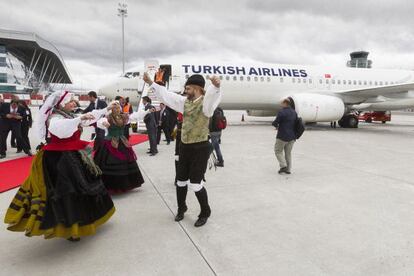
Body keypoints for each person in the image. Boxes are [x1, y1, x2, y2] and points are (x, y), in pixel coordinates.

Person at [4, 91, 115, 241]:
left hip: (70, 155)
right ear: (61, 103)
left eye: (74, 102)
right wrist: (79, 118)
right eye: (70, 102)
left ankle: (83, 221)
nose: (73, 104)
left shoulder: (68, 115)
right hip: (58, 159)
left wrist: (105, 109)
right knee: (67, 191)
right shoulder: (55, 117)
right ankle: (69, 229)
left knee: (82, 186)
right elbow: (60, 129)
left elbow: (86, 119)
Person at [143, 72, 221, 227]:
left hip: (200, 147)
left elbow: (213, 98)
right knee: (180, 181)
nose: (186, 90)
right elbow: (167, 96)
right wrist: (151, 83)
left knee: (196, 183)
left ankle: (205, 211)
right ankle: (181, 207)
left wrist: (216, 86)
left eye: (189, 87)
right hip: (184, 146)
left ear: (198, 88)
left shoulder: (206, 105)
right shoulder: (184, 102)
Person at [94, 102, 145, 193]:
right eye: (115, 108)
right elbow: (100, 122)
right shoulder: (108, 118)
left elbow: (135, 116)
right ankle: (111, 185)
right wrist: (104, 123)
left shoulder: (123, 117)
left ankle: (125, 184)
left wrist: (147, 111)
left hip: (122, 141)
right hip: (111, 142)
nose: (117, 110)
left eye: (118, 108)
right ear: (111, 109)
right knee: (111, 161)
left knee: (125, 162)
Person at [272, 98, 297, 174]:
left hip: (282, 136)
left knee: (278, 151)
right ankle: (288, 170)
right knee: (288, 153)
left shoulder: (282, 112)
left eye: (282, 103)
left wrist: (275, 125)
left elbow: (275, 122)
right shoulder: (294, 112)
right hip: (292, 137)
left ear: (285, 103)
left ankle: (283, 166)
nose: (281, 104)